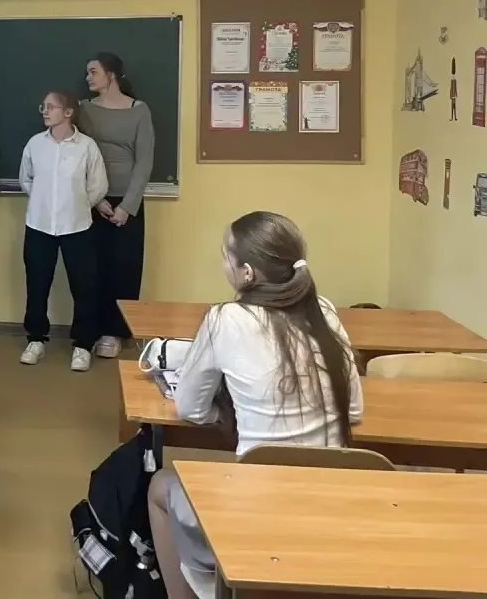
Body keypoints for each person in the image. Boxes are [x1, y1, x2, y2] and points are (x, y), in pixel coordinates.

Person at [146, 212, 362, 599]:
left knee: (160, 487)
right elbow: (355, 411)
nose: (223, 262)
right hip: (332, 513)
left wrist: (227, 411)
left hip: (257, 520)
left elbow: (189, 409)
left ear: (246, 273)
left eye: (225, 256)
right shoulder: (325, 311)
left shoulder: (226, 318)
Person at [18, 91, 108, 370]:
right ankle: (36, 339)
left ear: (68, 113)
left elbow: (97, 186)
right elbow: (26, 180)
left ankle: (83, 344)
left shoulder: (87, 146)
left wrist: (75, 205)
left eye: (51, 107)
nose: (45, 111)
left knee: (84, 287)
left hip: (77, 226)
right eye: (43, 107)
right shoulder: (35, 144)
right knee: (37, 285)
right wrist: (44, 201)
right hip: (39, 224)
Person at [76, 52, 155, 359]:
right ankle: (91, 330)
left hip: (126, 201)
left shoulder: (139, 110)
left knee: (124, 267)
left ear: (111, 75)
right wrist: (97, 199)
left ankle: (115, 332)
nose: (88, 77)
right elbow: (76, 154)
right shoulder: (83, 110)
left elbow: (144, 160)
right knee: (91, 268)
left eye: (93, 72)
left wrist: (127, 206)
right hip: (92, 199)